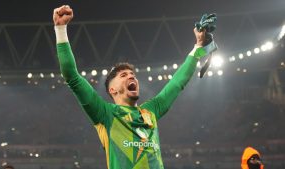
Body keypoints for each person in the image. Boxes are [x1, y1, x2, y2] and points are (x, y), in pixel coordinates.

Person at [53, 5, 210, 169]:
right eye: (123, 75)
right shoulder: (105, 114)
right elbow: (71, 76)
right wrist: (60, 28)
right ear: (112, 90)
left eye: (132, 75)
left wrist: (198, 46)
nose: (131, 76)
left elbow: (177, 83)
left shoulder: (151, 111)